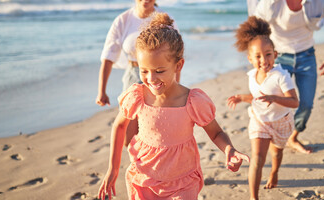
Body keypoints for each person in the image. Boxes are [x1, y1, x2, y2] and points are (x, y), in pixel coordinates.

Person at [98, 13, 250, 200]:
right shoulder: (137, 96)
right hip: (144, 177)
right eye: (144, 71)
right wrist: (113, 169)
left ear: (179, 66)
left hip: (182, 181)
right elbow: (120, 125)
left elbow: (216, 133)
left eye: (159, 71)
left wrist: (229, 149)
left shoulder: (192, 100)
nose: (151, 79)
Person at [254, 0, 324, 154]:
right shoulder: (270, 1)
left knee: (306, 104)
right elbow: (254, 33)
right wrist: (258, 61)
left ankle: (293, 137)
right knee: (273, 102)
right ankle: (272, 136)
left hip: (307, 56)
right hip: (278, 58)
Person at [96, 0, 178, 146]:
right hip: (133, 76)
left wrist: (175, 88)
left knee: (157, 130)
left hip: (161, 78)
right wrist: (101, 91)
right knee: (129, 133)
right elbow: (108, 57)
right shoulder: (122, 21)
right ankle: (137, 167)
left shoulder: (165, 20)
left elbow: (176, 57)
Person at [227, 16, 299, 199]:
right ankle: (254, 197)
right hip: (260, 121)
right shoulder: (252, 75)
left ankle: (274, 172)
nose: (263, 60)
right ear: (250, 58)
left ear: (275, 54)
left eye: (268, 54)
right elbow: (257, 97)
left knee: (276, 153)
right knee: (257, 158)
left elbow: (294, 102)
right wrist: (241, 98)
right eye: (258, 56)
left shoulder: (281, 76)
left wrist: (274, 97)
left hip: (281, 121)